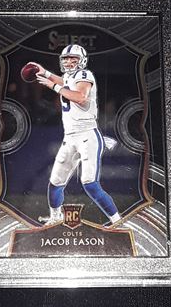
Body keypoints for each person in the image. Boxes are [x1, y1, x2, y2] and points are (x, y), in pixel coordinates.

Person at [31, 45, 121, 226]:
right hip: (70, 137)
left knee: (90, 183)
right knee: (55, 182)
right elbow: (64, 81)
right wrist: (46, 73)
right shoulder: (70, 77)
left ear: (82, 60)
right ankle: (55, 217)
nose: (69, 62)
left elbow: (80, 97)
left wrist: (53, 86)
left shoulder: (85, 75)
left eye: (73, 59)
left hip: (87, 136)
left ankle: (117, 221)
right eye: (66, 59)